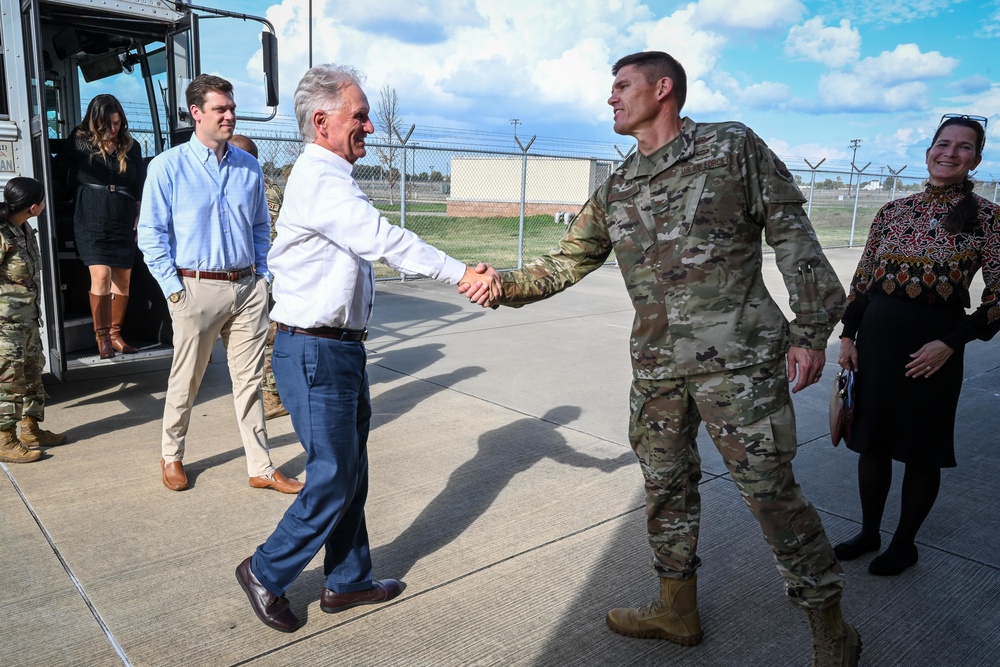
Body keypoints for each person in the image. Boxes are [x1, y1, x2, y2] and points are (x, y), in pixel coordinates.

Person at [463, 51, 859, 666]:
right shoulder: (618, 185)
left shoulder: (731, 148)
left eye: (622, 85)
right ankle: (676, 608)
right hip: (657, 368)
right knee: (665, 487)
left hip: (740, 364)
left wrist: (812, 330)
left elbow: (790, 231)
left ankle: (830, 624)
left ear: (663, 87)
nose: (612, 97)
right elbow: (568, 260)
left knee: (770, 494)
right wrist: (502, 285)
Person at [234, 63, 499, 633]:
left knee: (350, 471)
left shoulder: (331, 175)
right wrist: (460, 274)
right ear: (323, 120)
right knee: (332, 475)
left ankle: (347, 580)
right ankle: (265, 569)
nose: (371, 127)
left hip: (338, 350)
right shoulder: (322, 178)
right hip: (314, 352)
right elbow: (383, 239)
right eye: (360, 116)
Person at [834, 115, 1000, 577]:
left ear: (976, 159)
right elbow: (863, 281)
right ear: (928, 152)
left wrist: (951, 343)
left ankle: (903, 544)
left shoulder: (988, 217)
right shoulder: (892, 212)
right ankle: (869, 531)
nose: (950, 153)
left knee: (922, 448)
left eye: (963, 147)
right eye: (942, 144)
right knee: (873, 442)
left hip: (935, 350)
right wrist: (848, 336)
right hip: (877, 344)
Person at [137, 75, 303, 495]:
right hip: (195, 290)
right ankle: (171, 455)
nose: (230, 116)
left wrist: (263, 275)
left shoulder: (248, 166)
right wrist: (174, 290)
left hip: (248, 288)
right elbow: (150, 234)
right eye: (220, 110)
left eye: (231, 108)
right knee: (186, 379)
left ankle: (261, 466)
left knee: (248, 382)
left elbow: (262, 226)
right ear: (197, 114)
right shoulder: (167, 167)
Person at [64, 94, 146, 359]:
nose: (115, 128)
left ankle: (115, 334)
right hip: (90, 215)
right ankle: (102, 339)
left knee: (123, 278)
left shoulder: (130, 146)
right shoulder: (78, 142)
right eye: (109, 124)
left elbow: (139, 183)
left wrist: (139, 211)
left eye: (118, 122)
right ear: (96, 122)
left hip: (122, 215)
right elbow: (58, 173)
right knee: (101, 276)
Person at [0, 177, 67, 463]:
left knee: (31, 375)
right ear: (33, 206)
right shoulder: (2, 234)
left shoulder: (25, 228)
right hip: (6, 327)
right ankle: (4, 439)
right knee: (8, 382)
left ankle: (30, 429)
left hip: (27, 321)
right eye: (43, 200)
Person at [228, 134, 288, 421]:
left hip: (253, 274)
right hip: (272, 272)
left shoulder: (239, 183)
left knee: (260, 337)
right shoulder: (272, 187)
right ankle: (272, 393)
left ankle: (270, 396)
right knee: (268, 335)